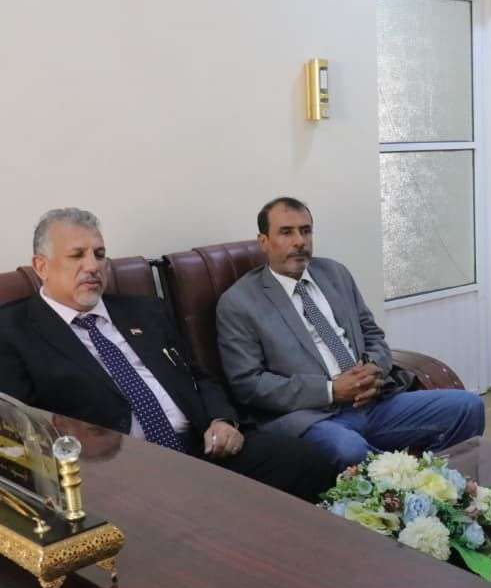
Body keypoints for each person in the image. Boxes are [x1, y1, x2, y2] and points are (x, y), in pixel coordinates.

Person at [0, 208, 336, 502]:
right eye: (77, 256)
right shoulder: (13, 332)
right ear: (41, 266)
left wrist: (223, 420)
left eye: (99, 254)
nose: (93, 266)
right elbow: (21, 432)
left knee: (310, 461)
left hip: (203, 448)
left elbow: (200, 376)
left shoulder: (145, 311)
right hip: (119, 473)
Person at [215, 196, 484, 472]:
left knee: (468, 407)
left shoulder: (335, 273)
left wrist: (373, 369)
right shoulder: (239, 302)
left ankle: (444, 486)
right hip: (313, 417)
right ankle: (403, 488)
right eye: (286, 232)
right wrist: (331, 391)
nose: (299, 241)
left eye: (306, 231)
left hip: (374, 402)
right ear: (263, 242)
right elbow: (249, 383)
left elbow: (373, 335)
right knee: (349, 449)